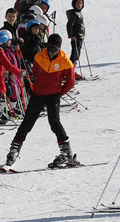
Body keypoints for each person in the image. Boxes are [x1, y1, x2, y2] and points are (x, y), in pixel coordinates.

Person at [5, 34, 76, 167]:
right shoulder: (39, 56)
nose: (51, 52)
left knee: (54, 123)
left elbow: (71, 82)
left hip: (53, 95)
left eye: (54, 50)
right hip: (38, 94)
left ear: (59, 49)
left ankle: (66, 153)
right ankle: (14, 150)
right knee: (27, 123)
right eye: (49, 48)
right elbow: (35, 73)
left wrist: (60, 93)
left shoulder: (65, 62)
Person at [66, 0, 85, 65]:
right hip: (76, 37)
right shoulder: (74, 14)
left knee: (77, 54)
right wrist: (72, 35)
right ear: (74, 4)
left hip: (80, 36)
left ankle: (71, 69)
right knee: (75, 54)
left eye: (81, 3)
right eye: (77, 3)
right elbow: (69, 25)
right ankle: (70, 69)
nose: (79, 5)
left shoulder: (79, 13)